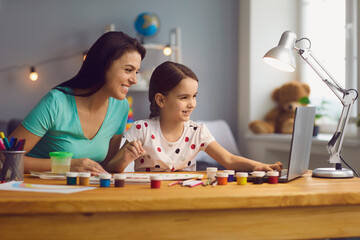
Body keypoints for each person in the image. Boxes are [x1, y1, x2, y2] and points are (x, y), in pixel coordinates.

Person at [9, 31, 146, 175]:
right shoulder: (56, 102)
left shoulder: (121, 107)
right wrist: (66, 165)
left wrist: (123, 158)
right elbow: (6, 158)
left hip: (80, 192)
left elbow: (104, 168)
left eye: (136, 72)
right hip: (34, 190)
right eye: (128, 70)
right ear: (103, 66)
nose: (134, 80)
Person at [109, 61, 283, 173]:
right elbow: (110, 169)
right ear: (161, 100)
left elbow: (229, 160)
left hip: (186, 199)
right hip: (149, 199)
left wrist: (260, 166)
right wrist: (124, 157)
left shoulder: (197, 132)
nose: (192, 103)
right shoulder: (142, 130)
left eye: (194, 96)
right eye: (184, 97)